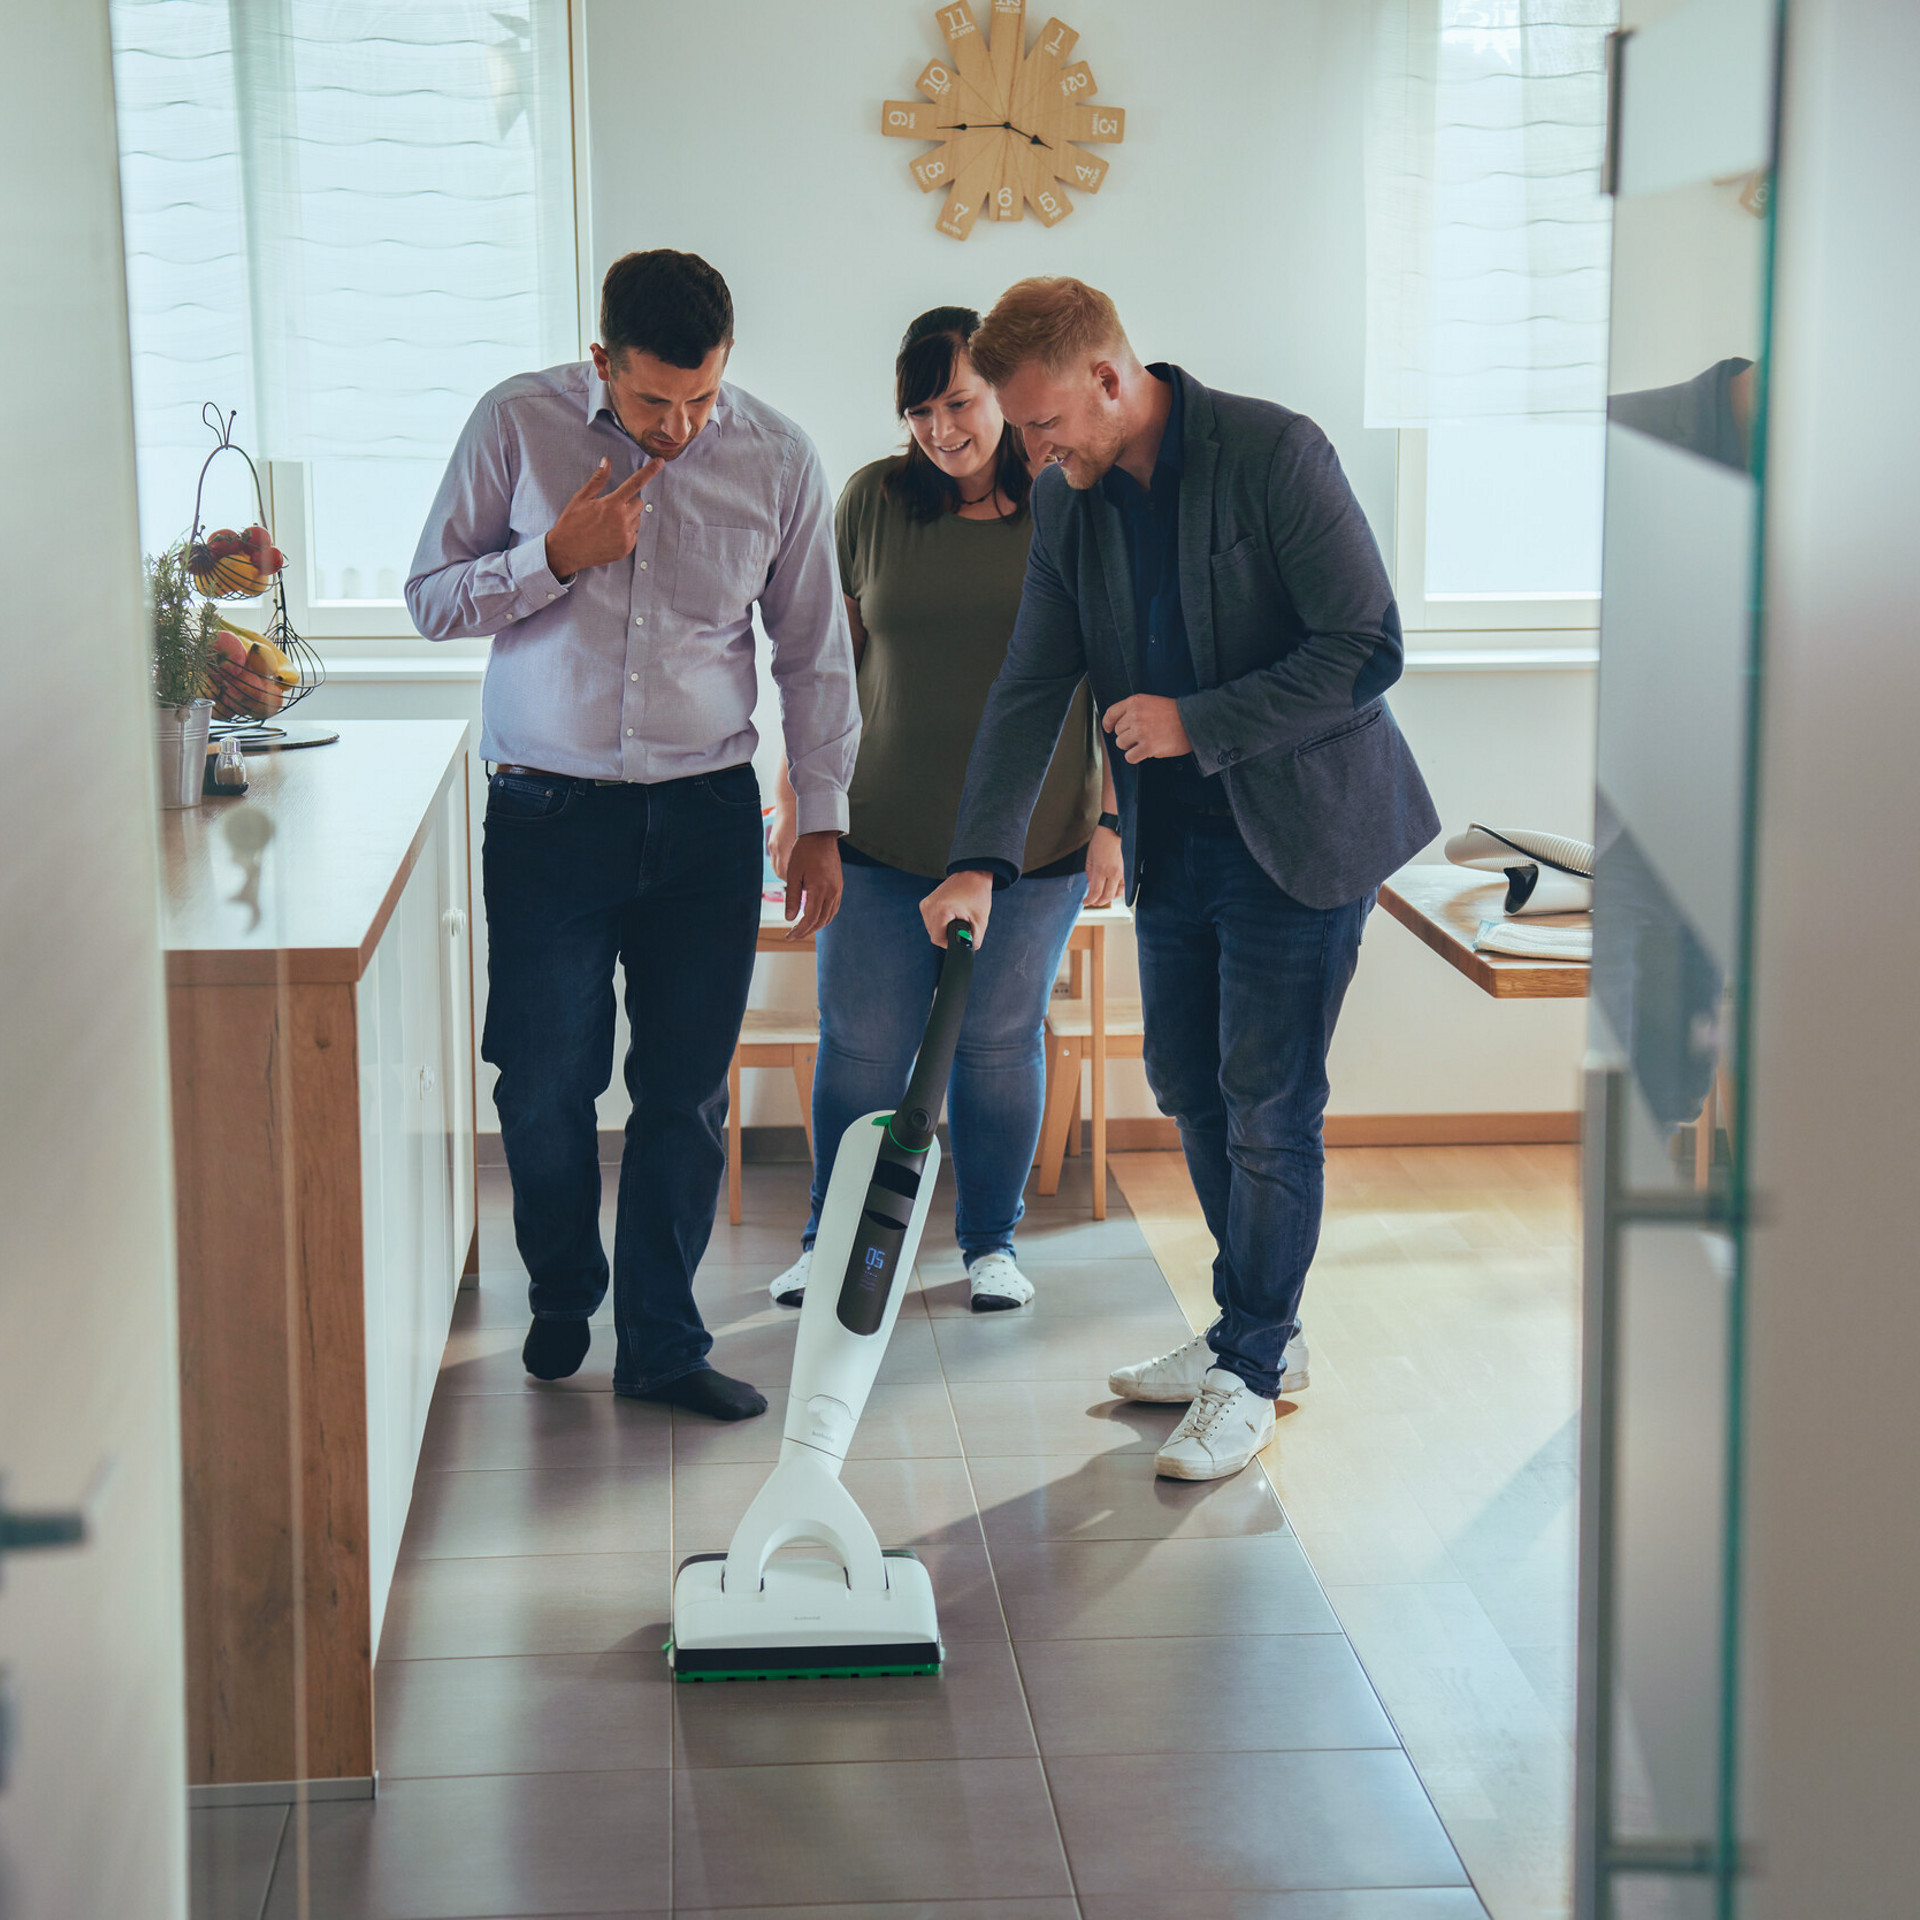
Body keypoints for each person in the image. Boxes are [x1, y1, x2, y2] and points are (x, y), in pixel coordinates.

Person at [921, 278, 1439, 1481]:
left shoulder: (1274, 452)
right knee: (1188, 1086)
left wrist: (1197, 722)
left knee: (1267, 1100)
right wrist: (977, 858)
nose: (1033, 453)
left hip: (1301, 833)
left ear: (1110, 376)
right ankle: (1256, 1332)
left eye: (1045, 425)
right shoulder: (1069, 503)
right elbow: (1029, 685)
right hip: (1180, 843)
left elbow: (1367, 647)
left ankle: (1251, 1364)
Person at [406, 249, 858, 1423]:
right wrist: (552, 558)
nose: (680, 424)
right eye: (655, 399)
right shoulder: (516, 422)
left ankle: (661, 1341)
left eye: (702, 397)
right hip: (549, 816)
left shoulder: (778, 456)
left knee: (685, 1092)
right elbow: (430, 598)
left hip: (708, 819)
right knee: (545, 1080)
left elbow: (814, 654)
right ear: (601, 358)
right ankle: (564, 1286)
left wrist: (823, 818)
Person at [766, 306, 1122, 1313]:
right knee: (863, 1046)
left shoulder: (1070, 501)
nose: (940, 428)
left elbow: (1116, 667)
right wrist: (800, 802)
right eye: (919, 409)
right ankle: (829, 1241)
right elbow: (823, 668)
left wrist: (1113, 822)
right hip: (882, 829)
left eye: (958, 402)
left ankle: (989, 1245)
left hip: (1034, 838)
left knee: (999, 1041)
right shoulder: (873, 501)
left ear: (1003, 399)